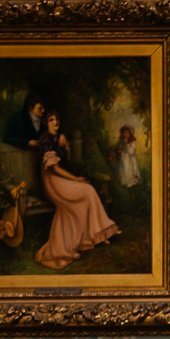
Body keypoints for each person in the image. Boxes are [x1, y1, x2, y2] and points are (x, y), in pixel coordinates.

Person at [34, 111, 120, 270]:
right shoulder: (46, 141)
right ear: (46, 123)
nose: (55, 122)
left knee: (84, 196)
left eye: (57, 119)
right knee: (87, 190)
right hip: (52, 181)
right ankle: (99, 231)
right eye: (51, 120)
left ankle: (89, 237)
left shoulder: (58, 138)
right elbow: (56, 169)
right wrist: (76, 179)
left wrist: (66, 147)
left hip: (60, 179)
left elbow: (65, 162)